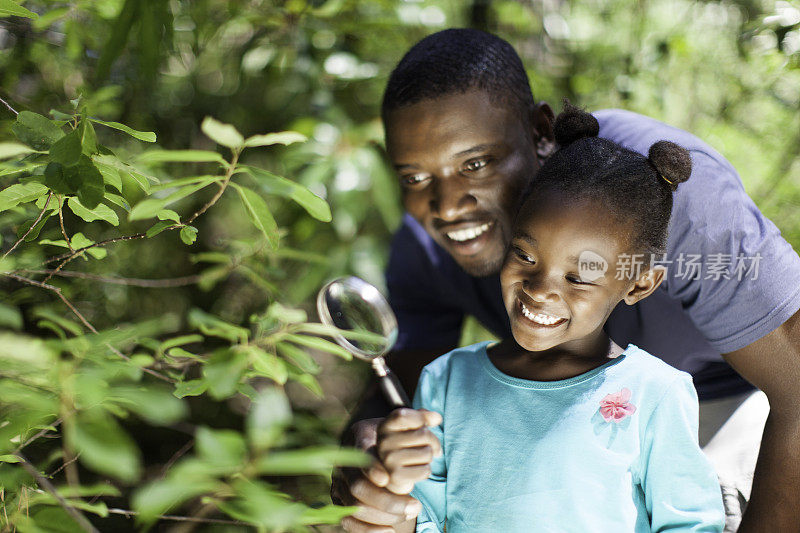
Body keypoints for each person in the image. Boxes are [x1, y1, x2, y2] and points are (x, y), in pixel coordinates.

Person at [335, 29, 800, 533]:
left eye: (475, 163)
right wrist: (365, 459)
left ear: (540, 133)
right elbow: (408, 401)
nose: (446, 205)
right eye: (414, 177)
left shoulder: (675, 207)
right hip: (557, 415)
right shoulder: (426, 247)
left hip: (733, 407)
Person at [374, 104, 725, 532]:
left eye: (578, 277)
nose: (540, 290)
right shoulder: (447, 381)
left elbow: (690, 523)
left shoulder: (656, 393)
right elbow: (424, 517)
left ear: (639, 284)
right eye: (525, 255)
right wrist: (397, 496)